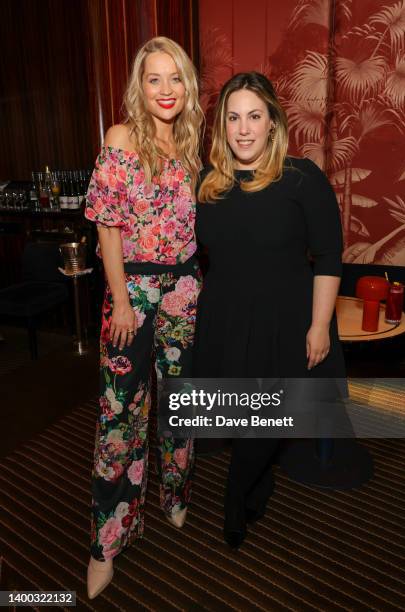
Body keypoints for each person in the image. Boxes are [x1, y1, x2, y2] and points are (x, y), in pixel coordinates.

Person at [194, 72, 345, 548]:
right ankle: (260, 484)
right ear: (222, 126)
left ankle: (234, 497)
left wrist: (320, 325)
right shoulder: (207, 187)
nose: (243, 129)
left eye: (254, 117)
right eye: (234, 118)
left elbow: (329, 255)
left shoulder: (302, 178)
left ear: (272, 123)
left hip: (287, 323)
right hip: (227, 321)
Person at [84, 36, 203, 598]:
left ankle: (175, 495)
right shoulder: (121, 140)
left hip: (184, 288)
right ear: (140, 85)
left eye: (174, 78)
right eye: (153, 78)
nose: (164, 90)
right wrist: (123, 300)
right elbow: (107, 229)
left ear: (187, 86)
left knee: (179, 401)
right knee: (119, 416)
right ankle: (107, 542)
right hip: (129, 288)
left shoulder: (194, 143)